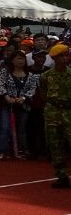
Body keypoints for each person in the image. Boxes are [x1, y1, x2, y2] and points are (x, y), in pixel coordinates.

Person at [0, 50, 36, 159]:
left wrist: (24, 98)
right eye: (18, 58)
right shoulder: (5, 72)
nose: (21, 61)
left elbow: (32, 89)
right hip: (8, 104)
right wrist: (7, 97)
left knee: (21, 128)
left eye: (22, 59)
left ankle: (21, 149)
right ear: (12, 60)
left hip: (23, 105)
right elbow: (0, 85)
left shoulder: (30, 74)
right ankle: (3, 150)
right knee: (5, 127)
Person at [42, 42, 71, 188]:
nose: (65, 59)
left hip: (69, 112)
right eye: (61, 56)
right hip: (53, 113)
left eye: (66, 55)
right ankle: (61, 175)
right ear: (54, 58)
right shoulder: (46, 76)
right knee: (55, 145)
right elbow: (44, 94)